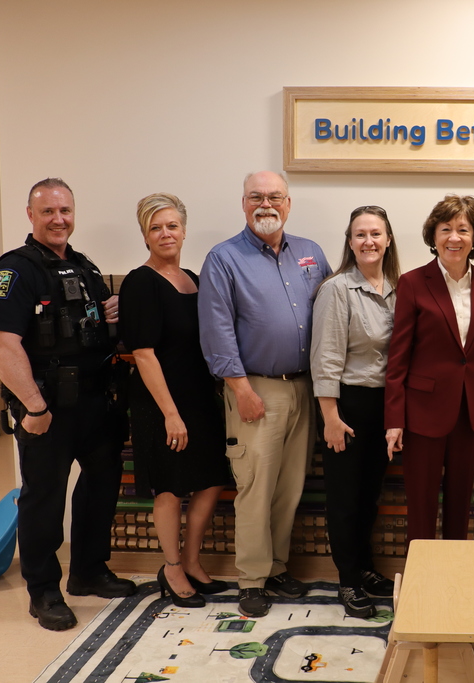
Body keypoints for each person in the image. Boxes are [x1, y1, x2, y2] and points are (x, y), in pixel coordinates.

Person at [0, 178, 136, 631]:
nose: (59, 219)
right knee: (44, 499)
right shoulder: (15, 269)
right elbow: (3, 345)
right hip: (46, 408)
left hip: (94, 402)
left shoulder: (83, 266)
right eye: (48, 211)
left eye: (65, 210)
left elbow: (81, 325)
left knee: (101, 487)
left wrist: (105, 311)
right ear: (30, 215)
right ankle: (44, 590)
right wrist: (33, 407)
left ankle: (88, 571)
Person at [198, 171, 332, 618]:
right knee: (254, 488)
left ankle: (276, 568)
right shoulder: (223, 258)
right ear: (243, 204)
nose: (266, 204)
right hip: (255, 390)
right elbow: (216, 331)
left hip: (305, 389)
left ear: (289, 203)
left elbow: (331, 318)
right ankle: (251, 580)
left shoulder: (311, 253)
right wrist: (241, 389)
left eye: (275, 196)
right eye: (256, 196)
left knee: (288, 488)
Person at [119, 193, 231, 608]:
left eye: (171, 225)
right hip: (161, 403)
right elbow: (144, 354)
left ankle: (191, 559)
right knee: (169, 488)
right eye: (155, 227)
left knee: (211, 479)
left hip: (200, 396)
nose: (165, 233)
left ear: (184, 230)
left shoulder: (194, 278)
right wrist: (171, 414)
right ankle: (170, 568)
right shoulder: (139, 282)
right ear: (145, 235)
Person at [384, 194, 474, 545]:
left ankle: (454, 582)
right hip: (422, 413)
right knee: (420, 505)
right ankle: (419, 585)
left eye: (463, 229)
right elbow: (398, 357)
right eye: (446, 229)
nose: (454, 237)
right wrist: (394, 419)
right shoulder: (413, 282)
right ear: (433, 237)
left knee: (460, 503)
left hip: (471, 413)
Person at [311, 206, 400, 618]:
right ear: (350, 242)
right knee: (345, 498)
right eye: (360, 234)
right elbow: (326, 357)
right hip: (346, 404)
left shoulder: (401, 287)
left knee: (369, 496)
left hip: (386, 406)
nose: (369, 241)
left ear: (387, 240)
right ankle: (347, 581)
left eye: (376, 234)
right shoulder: (337, 289)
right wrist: (329, 416)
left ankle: (364, 568)